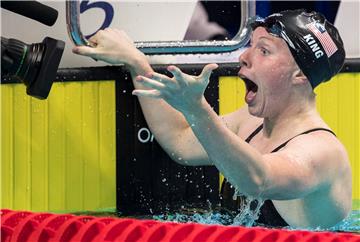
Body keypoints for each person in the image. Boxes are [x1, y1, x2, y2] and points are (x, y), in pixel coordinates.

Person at [72, 9, 352, 228]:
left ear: (300, 75)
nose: (244, 57)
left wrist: (197, 109)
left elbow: (259, 179)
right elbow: (180, 141)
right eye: (251, 46)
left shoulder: (322, 153)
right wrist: (136, 62)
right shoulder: (251, 123)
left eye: (264, 50)